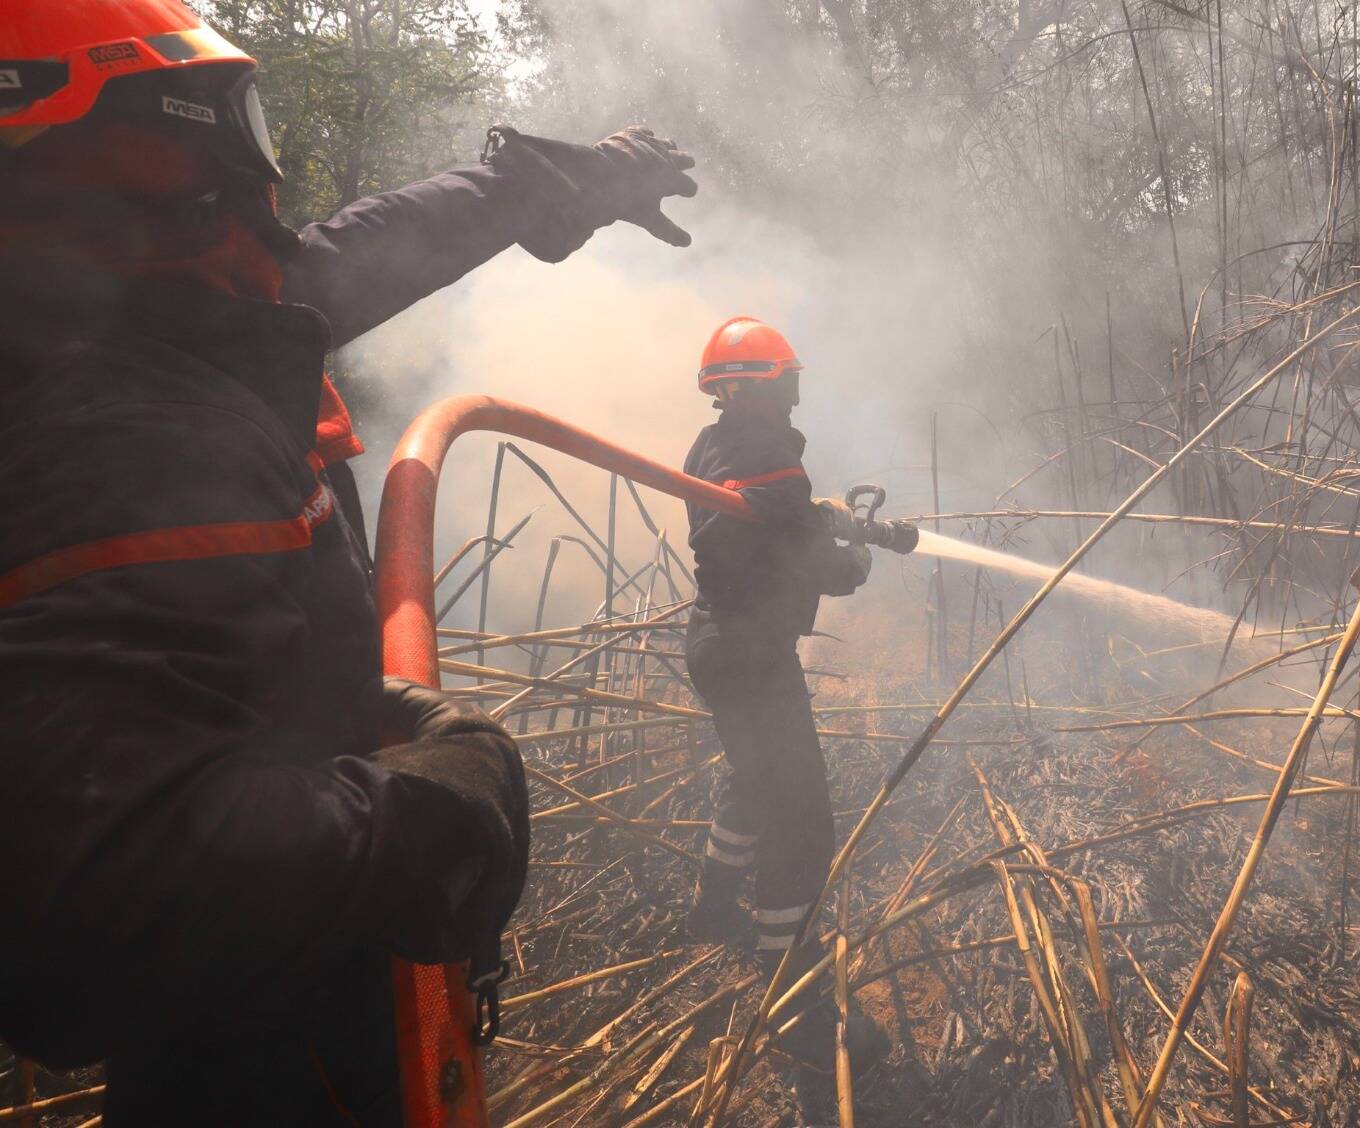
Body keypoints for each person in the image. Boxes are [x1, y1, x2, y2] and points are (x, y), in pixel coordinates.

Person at [0, 1, 700, 1122]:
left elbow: (353, 253)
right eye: (233, 120)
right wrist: (431, 812)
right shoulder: (117, 431)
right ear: (143, 138)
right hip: (275, 1061)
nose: (261, 180)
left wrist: (553, 183)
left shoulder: (145, 332)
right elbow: (93, 907)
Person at [680, 316, 889, 1124]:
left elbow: (770, 520)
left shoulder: (718, 445)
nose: (796, 387)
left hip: (719, 644)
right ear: (755, 385)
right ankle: (801, 1015)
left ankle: (713, 905)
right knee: (800, 822)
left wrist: (813, 512)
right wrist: (848, 560)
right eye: (785, 376)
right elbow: (786, 544)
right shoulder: (763, 458)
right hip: (751, 657)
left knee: (752, 780)